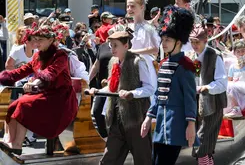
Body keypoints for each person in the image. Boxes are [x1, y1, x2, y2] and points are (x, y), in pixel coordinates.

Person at [0, 24, 78, 155]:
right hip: (46, 95)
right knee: (13, 106)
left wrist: (34, 82)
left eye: (40, 40)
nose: (36, 43)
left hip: (60, 100)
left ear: (51, 40)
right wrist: (4, 77)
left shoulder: (60, 55)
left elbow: (49, 73)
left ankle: (17, 144)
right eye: (35, 39)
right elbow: (20, 71)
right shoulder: (37, 56)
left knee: (24, 104)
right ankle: (9, 141)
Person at [87, 30, 155, 165]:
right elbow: (113, 87)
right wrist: (98, 91)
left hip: (136, 119)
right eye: (111, 45)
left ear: (126, 46)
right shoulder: (113, 62)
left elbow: (149, 89)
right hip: (116, 119)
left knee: (143, 159)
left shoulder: (138, 62)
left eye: (115, 45)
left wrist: (132, 93)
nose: (112, 49)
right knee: (109, 159)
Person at [141, 6, 197, 165]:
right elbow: (159, 94)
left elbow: (190, 97)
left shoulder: (186, 65)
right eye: (163, 39)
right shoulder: (164, 63)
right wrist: (148, 117)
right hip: (160, 122)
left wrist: (191, 124)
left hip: (177, 123)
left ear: (178, 42)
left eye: (168, 40)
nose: (163, 44)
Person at [189, 24, 227, 165]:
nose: (194, 45)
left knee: (202, 140)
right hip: (197, 103)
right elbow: (194, 77)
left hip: (213, 103)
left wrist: (206, 88)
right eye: (192, 42)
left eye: (197, 42)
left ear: (205, 40)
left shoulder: (214, 56)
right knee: (206, 143)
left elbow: (222, 83)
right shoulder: (192, 56)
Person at [126, 0, 159, 99]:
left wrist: (134, 52)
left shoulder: (148, 28)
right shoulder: (127, 27)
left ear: (142, 7)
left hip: (144, 64)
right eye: (128, 6)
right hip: (128, 63)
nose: (129, 9)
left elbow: (155, 49)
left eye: (132, 6)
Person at [225, 41, 245, 118]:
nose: (241, 53)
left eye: (243, 51)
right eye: (238, 52)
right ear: (234, 53)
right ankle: (233, 108)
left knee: (232, 86)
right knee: (227, 85)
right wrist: (234, 82)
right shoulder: (233, 66)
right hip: (237, 86)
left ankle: (236, 109)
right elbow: (230, 80)